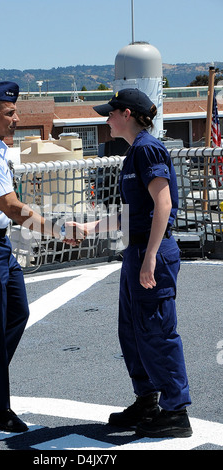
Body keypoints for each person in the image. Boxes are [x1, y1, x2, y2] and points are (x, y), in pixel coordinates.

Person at [0, 81, 84, 433]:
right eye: (9, 113)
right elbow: (11, 207)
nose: (16, 118)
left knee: (17, 313)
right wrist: (58, 228)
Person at [79, 88, 192, 438]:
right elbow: (131, 215)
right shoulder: (134, 153)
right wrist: (88, 227)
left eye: (110, 113)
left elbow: (164, 204)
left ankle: (175, 411)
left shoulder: (147, 149)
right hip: (137, 250)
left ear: (126, 114)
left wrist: (151, 256)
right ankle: (147, 400)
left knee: (157, 332)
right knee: (132, 332)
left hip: (149, 252)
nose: (107, 119)